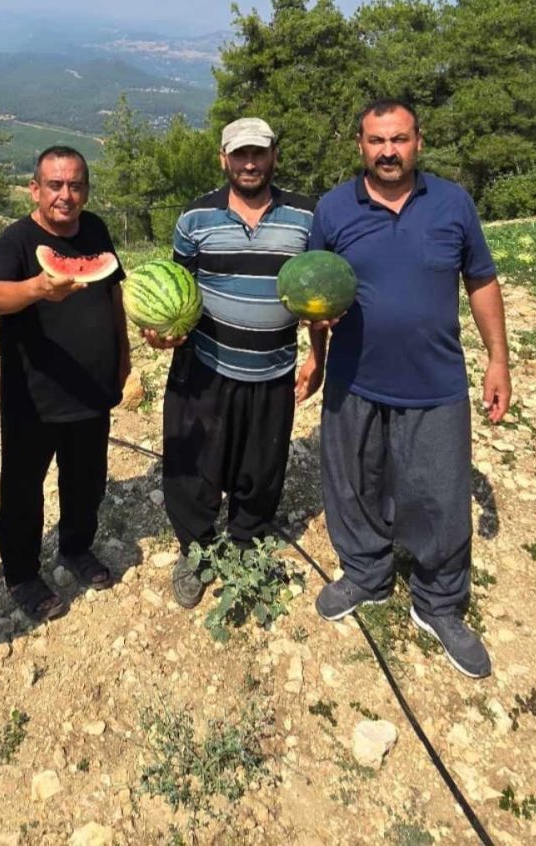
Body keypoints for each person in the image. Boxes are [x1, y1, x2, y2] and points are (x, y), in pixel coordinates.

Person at [308, 98, 511, 678]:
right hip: (354, 382)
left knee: (441, 496)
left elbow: (481, 279)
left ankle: (439, 603)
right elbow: (314, 291)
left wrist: (498, 360)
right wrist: (316, 349)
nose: (388, 151)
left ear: (418, 141)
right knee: (353, 486)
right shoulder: (333, 209)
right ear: (361, 146)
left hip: (435, 381)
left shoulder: (452, 203)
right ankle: (367, 576)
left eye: (399, 139)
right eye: (377, 141)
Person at [144, 117, 333, 608]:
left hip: (272, 367)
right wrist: (162, 331)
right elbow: (177, 291)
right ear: (223, 159)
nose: (250, 163)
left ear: (273, 156)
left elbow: (314, 293)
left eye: (259, 153)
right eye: (240, 154)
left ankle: (248, 540)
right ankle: (197, 550)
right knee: (192, 466)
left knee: (262, 466)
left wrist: (319, 355)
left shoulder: (307, 217)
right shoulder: (194, 219)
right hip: (204, 365)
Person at [0, 146, 130, 621]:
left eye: (76, 185)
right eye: (55, 185)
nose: (66, 195)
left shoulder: (96, 229)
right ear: (36, 189)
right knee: (23, 489)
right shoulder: (18, 240)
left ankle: (75, 548)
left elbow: (112, 292)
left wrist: (123, 357)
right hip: (34, 395)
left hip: (92, 388)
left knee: (86, 480)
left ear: (85, 188)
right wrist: (37, 289)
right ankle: (22, 574)